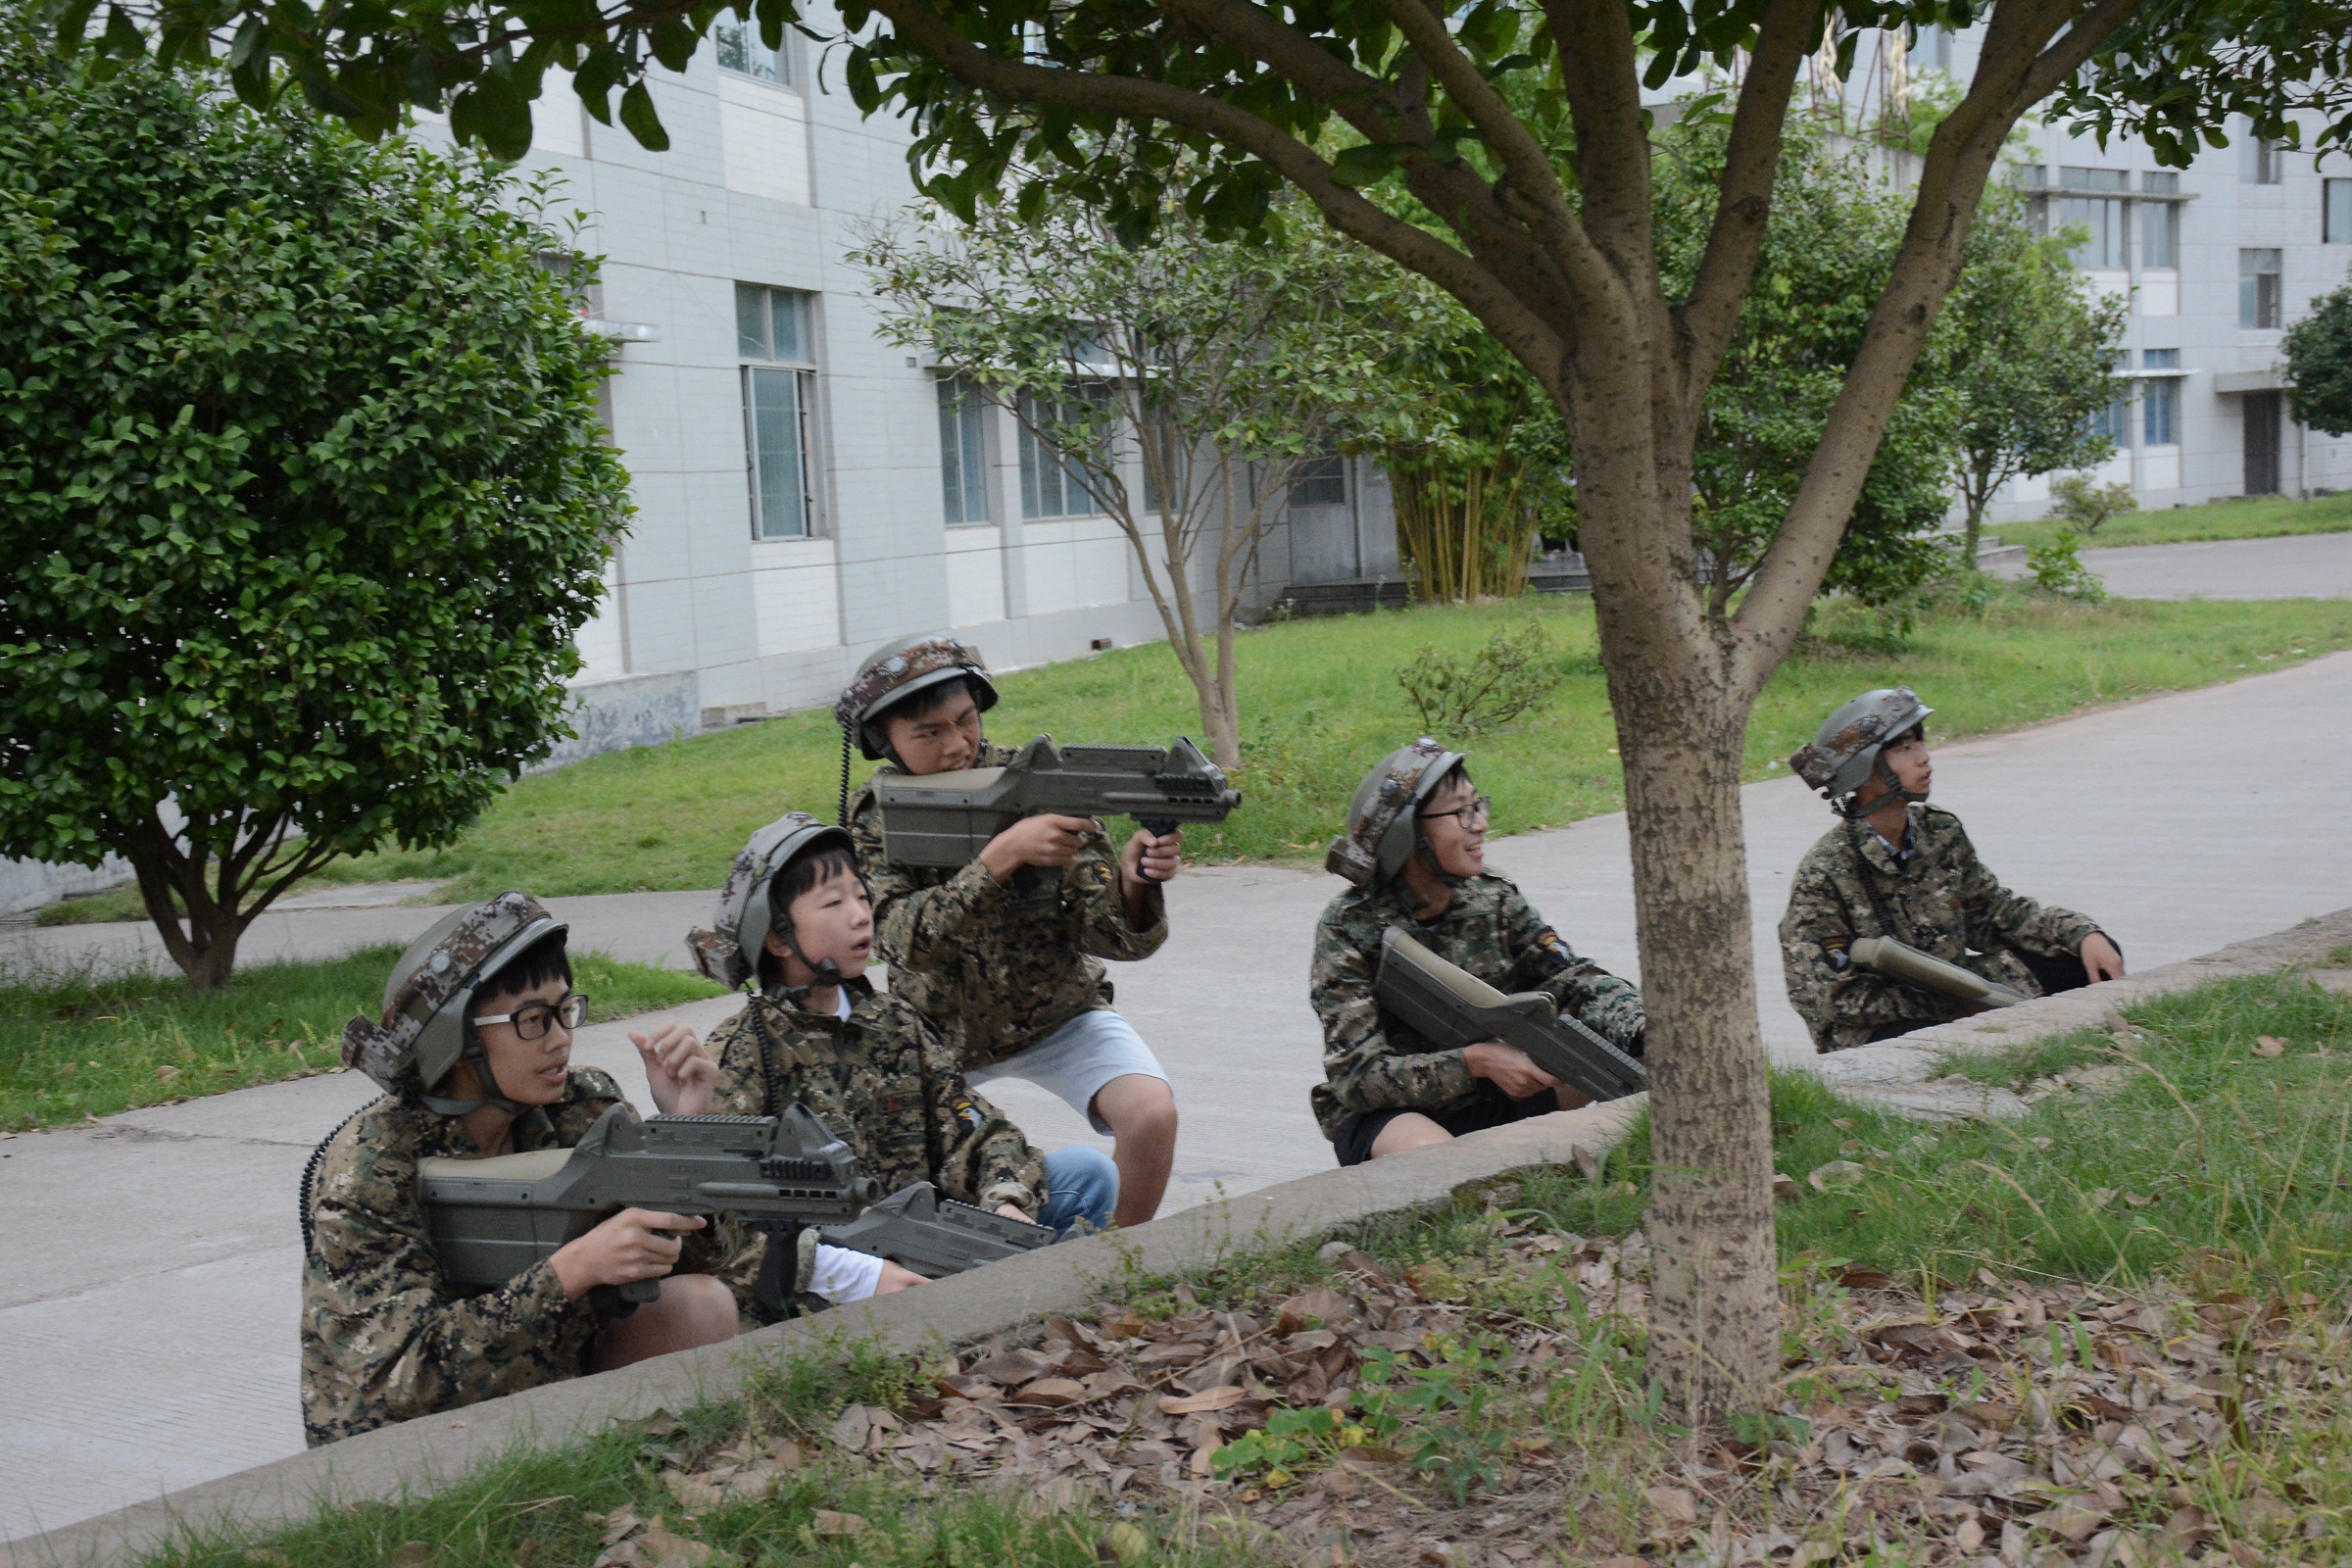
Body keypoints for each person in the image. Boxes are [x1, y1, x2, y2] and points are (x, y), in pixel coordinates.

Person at [301, 893, 737, 1446]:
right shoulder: (372, 1163)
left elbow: (706, 1259)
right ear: (456, 1038)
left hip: (544, 1383)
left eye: (564, 1010)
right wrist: (571, 1272)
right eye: (532, 1020)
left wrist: (682, 1134)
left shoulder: (580, 1105)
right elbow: (407, 1378)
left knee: (699, 1307)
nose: (561, 1038)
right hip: (401, 1451)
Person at [677, 810, 1118, 1319]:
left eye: (862, 896)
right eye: (834, 903)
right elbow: (726, 1225)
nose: (860, 915)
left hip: (926, 1245)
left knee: (1086, 1175)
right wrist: (852, 1274)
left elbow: (975, 1129)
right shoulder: (742, 1050)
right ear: (776, 937)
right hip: (824, 1284)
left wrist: (1005, 1197)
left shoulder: (893, 1021)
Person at [834, 636, 1179, 1230]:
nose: (956, 744)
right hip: (935, 1033)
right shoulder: (877, 816)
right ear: (884, 741)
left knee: (1151, 1115)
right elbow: (901, 941)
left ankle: (1117, 1259)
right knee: (909, 1177)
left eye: (965, 719)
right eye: (928, 733)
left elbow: (1113, 937)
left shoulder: (1037, 787)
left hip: (1056, 1012)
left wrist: (1132, 882)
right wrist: (1000, 860)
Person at [1310, 739, 1646, 1165]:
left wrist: (1642, 1026)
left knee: (1634, 1056)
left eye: (1477, 806)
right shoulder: (1349, 927)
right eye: (1461, 812)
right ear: (1408, 832)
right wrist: (1476, 1063)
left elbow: (1574, 982)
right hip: (1393, 1114)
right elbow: (1358, 1079)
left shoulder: (1493, 898)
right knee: (1438, 1161)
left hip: (1497, 1093)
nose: (1480, 824)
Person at [1780, 686, 2126, 1053]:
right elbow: (1838, 998)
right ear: (1862, 769)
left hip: (1956, 993)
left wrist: (2080, 932)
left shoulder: (1939, 832)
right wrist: (1958, 1006)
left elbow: (1994, 915)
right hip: (1879, 1026)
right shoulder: (1825, 873)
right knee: (1936, 1048)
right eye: (1904, 748)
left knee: (2088, 957)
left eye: (1920, 742)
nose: (1924, 758)